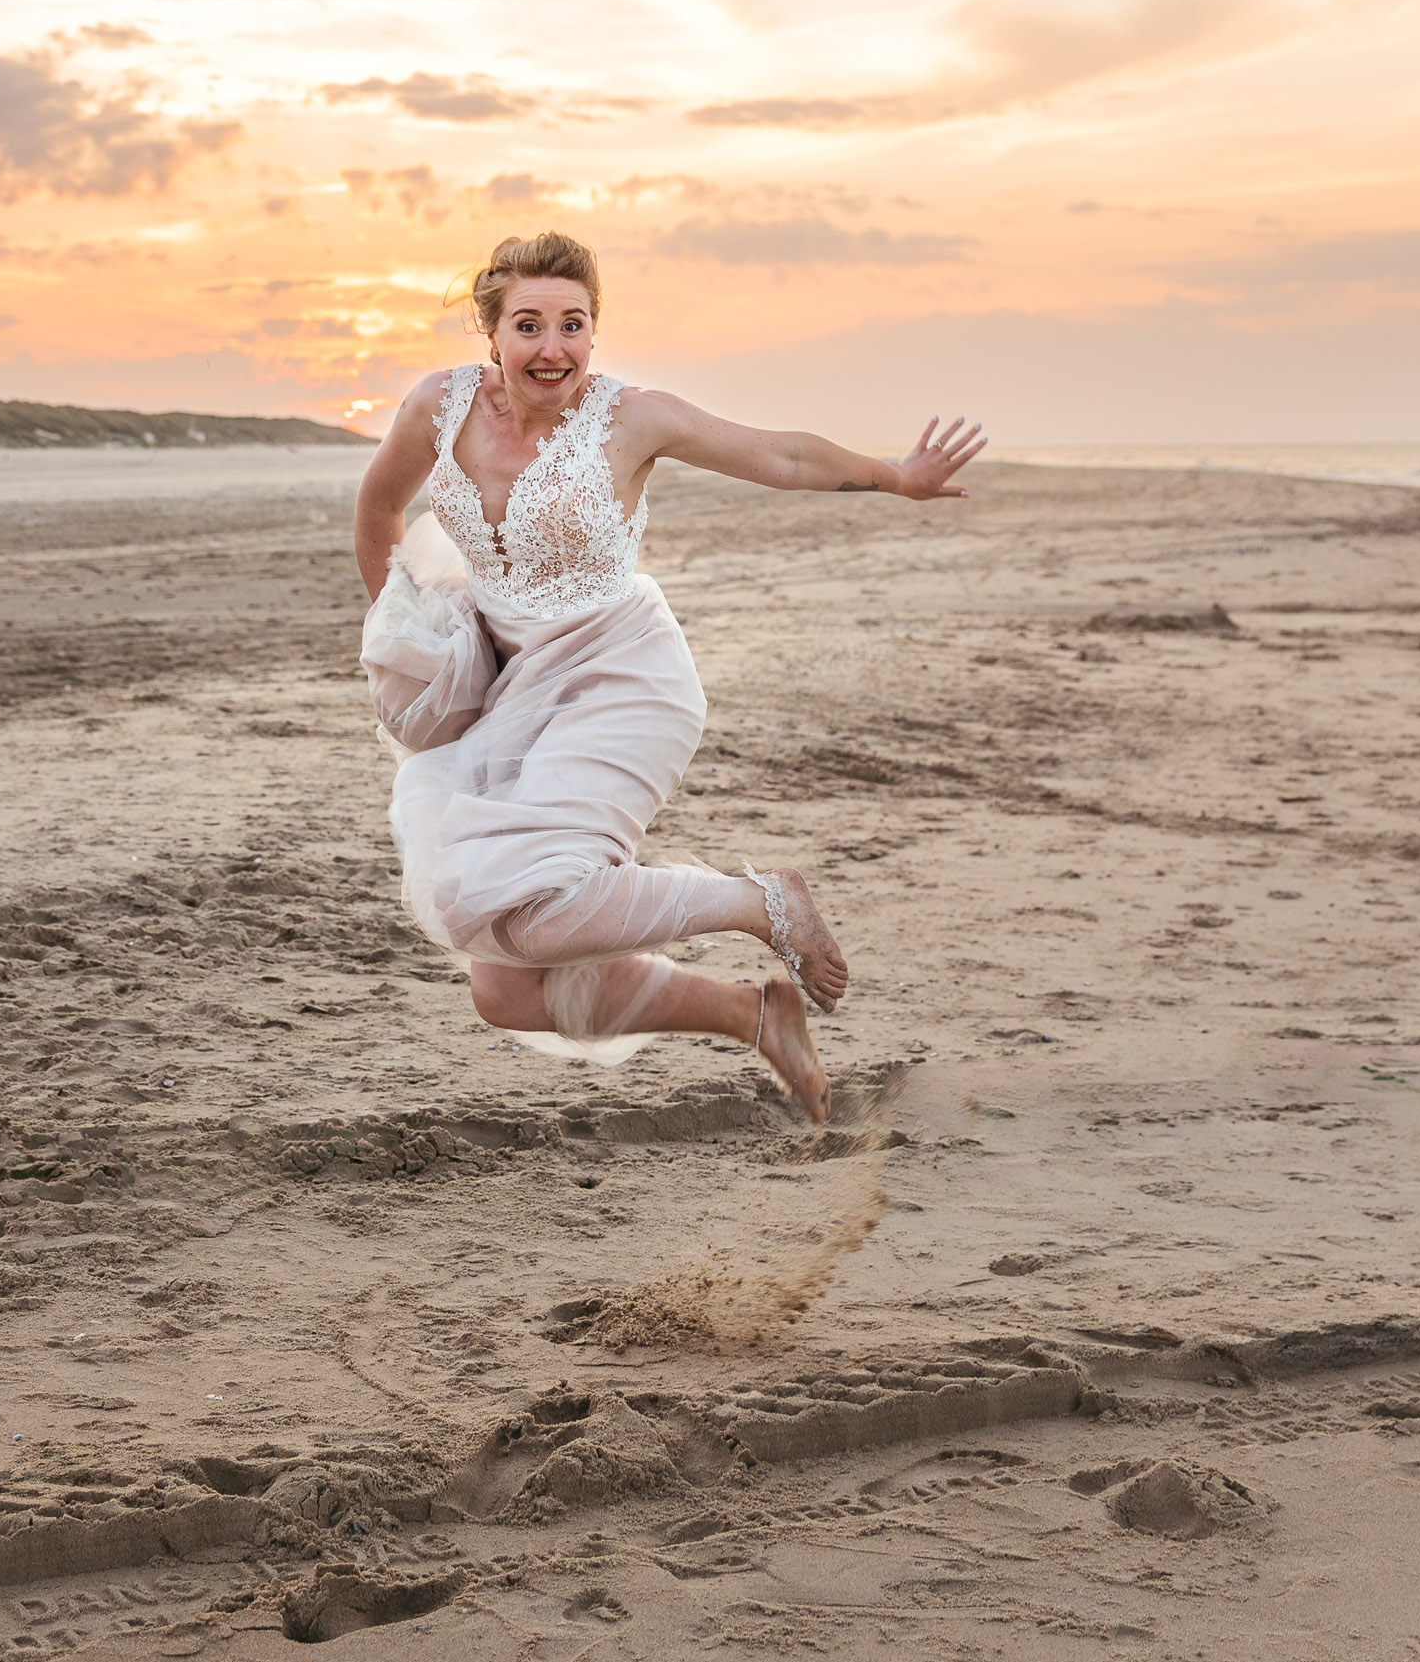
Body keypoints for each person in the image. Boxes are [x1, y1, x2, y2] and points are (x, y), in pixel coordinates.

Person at [354, 229, 984, 1125]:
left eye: (574, 325)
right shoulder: (438, 407)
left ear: (595, 333)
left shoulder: (630, 418)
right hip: (512, 692)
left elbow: (781, 456)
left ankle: (759, 900)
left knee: (536, 910)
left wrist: (896, 477)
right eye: (529, 325)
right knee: (504, 990)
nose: (553, 348)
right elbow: (378, 506)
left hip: (622, 675)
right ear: (490, 333)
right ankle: (753, 1014)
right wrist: (404, 631)